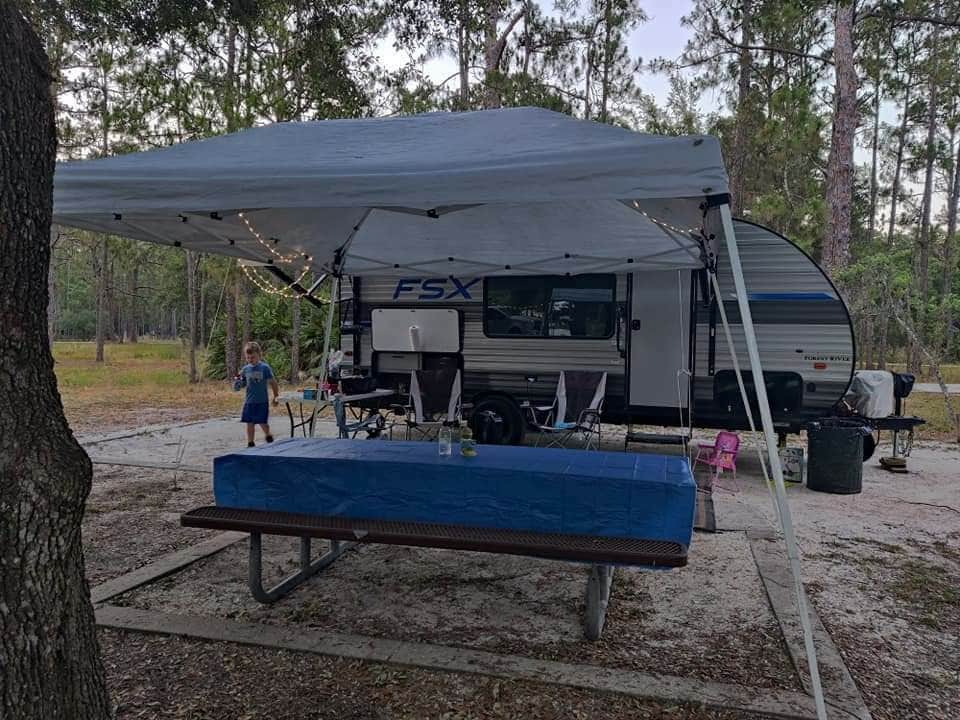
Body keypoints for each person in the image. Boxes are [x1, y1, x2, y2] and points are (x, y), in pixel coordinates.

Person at [233, 341, 280, 447]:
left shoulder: (265, 368)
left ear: (259, 355)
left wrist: (276, 396)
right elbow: (239, 382)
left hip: (262, 401)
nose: (250, 360)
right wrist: (237, 383)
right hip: (249, 402)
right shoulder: (245, 369)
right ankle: (250, 442)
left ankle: (268, 435)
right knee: (249, 423)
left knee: (262, 422)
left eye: (253, 357)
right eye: (248, 358)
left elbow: (273, 382)